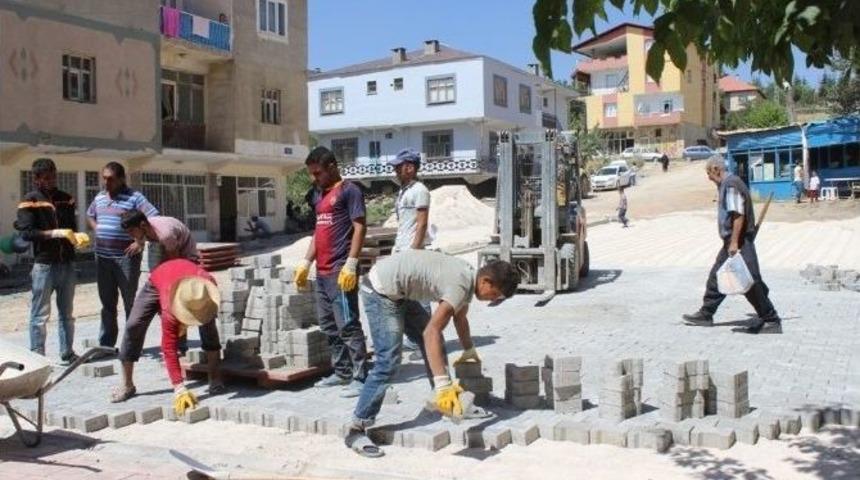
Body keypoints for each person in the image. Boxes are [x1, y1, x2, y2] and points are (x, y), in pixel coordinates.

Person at [345, 251, 519, 457]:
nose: (493, 300)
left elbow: (460, 318)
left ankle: (447, 403)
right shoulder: (460, 285)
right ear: (486, 281)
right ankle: (357, 428)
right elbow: (431, 332)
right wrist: (443, 383)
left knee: (436, 341)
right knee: (389, 362)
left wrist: (469, 349)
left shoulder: (469, 278)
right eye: (495, 294)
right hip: (380, 290)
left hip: (400, 291)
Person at [294, 146, 369, 398]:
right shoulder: (319, 195)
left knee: (347, 323)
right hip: (322, 271)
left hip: (340, 271)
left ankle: (361, 375)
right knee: (328, 325)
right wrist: (306, 262)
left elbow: (360, 228)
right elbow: (319, 232)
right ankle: (342, 371)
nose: (314, 178)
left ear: (332, 167)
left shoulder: (350, 191)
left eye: (318, 173)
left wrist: (352, 262)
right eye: (311, 173)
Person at [110, 258, 224, 414]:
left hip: (183, 279)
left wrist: (193, 318)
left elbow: (206, 299)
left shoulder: (206, 289)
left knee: (208, 325)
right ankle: (127, 384)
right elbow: (168, 347)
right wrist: (179, 387)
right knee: (133, 325)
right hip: (159, 279)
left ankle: (215, 377)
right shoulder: (170, 309)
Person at [682, 157, 781, 334]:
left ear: (716, 169)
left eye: (709, 173)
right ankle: (706, 314)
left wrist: (734, 242)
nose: (709, 178)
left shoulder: (731, 185)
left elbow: (738, 215)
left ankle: (771, 320)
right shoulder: (727, 184)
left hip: (739, 241)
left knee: (749, 282)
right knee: (717, 276)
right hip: (732, 241)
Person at [14, 158, 86, 364]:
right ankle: (37, 358)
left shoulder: (66, 199)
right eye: (46, 178)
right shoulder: (30, 201)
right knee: (40, 315)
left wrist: (77, 238)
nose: (51, 181)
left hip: (67, 263)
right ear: (36, 179)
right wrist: (54, 233)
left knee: (67, 313)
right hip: (44, 265)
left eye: (53, 176)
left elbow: (71, 227)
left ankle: (67, 353)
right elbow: (27, 233)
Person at [86, 162, 158, 351]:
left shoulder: (134, 197)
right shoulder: (100, 197)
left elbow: (152, 217)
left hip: (126, 259)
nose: (106, 182)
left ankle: (131, 345)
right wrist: (97, 228)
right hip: (103, 258)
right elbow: (90, 214)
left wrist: (140, 241)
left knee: (130, 303)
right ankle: (106, 344)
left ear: (121, 179)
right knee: (107, 303)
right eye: (104, 178)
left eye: (110, 179)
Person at [389, 148, 433, 358]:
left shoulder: (420, 190)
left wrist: (414, 251)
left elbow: (422, 224)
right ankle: (415, 339)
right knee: (408, 298)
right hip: (402, 250)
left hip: (414, 252)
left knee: (421, 299)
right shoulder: (403, 191)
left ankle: (427, 342)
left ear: (410, 167)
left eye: (399, 167)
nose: (396, 171)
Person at [120, 211, 198, 262]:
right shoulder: (143, 228)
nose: (130, 235)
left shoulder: (165, 235)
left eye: (131, 231)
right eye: (127, 232)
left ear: (143, 225)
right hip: (169, 248)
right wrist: (138, 243)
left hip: (186, 254)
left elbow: (174, 261)